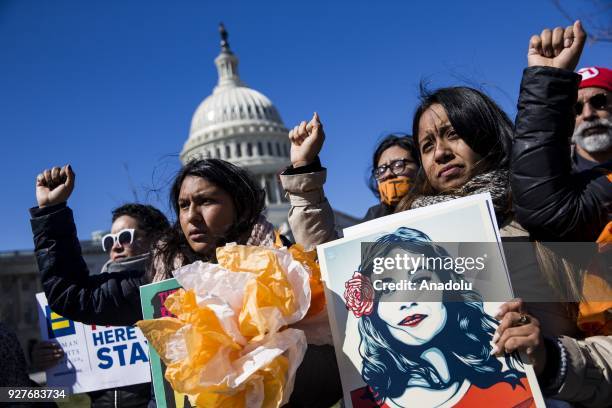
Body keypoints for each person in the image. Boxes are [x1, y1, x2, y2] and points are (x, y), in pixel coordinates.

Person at [32, 160, 342, 407]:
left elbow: (328, 361)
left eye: (206, 201)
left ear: (240, 204)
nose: (191, 216)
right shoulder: (161, 278)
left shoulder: (280, 267)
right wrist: (52, 212)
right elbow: (74, 297)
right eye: (183, 205)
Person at [493, 21, 612, 408]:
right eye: (576, 107)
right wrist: (550, 80)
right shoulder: (565, 197)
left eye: (601, 101)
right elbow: (545, 206)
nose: (589, 113)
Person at [31, 165, 171, 408]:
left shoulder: (163, 288)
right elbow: (20, 394)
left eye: (125, 237)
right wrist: (49, 361)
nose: (116, 246)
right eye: (110, 240)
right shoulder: (100, 293)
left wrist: (52, 212)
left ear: (157, 240)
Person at [347, 227, 533, 408]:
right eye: (386, 289)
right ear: (372, 309)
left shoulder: (514, 393)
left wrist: (545, 358)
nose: (406, 301)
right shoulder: (361, 402)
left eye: (420, 280)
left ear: (447, 286)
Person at [280, 113, 419, 250]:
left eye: (398, 165)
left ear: (420, 167)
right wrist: (303, 164)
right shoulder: (372, 221)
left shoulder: (437, 204)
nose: (388, 174)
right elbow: (324, 253)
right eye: (381, 170)